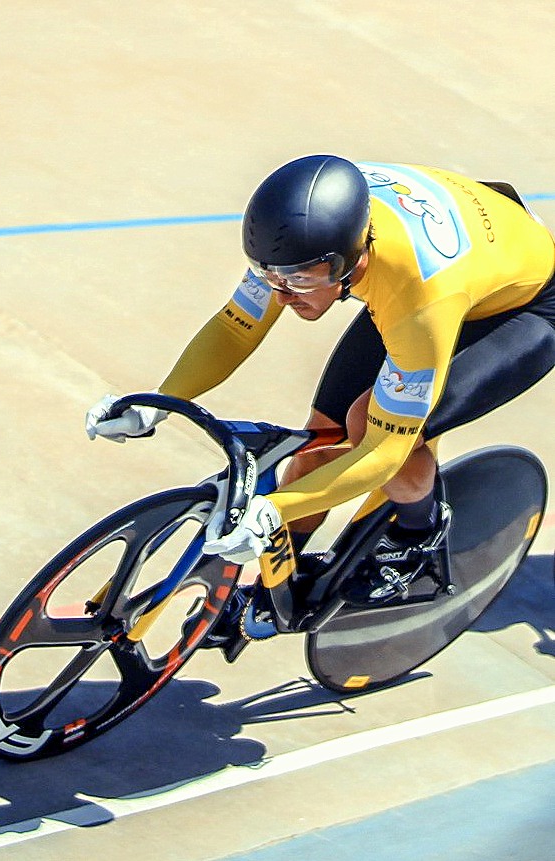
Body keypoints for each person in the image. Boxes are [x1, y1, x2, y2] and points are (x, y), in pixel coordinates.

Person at [86, 155, 555, 644]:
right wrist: (160, 401)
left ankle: (420, 533)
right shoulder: (299, 246)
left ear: (350, 260)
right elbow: (235, 325)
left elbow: (383, 450)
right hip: (467, 255)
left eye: (302, 282)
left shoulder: (417, 293)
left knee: (364, 423)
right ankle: (280, 587)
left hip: (524, 307)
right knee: (318, 436)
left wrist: (276, 510)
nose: (285, 296)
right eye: (271, 278)